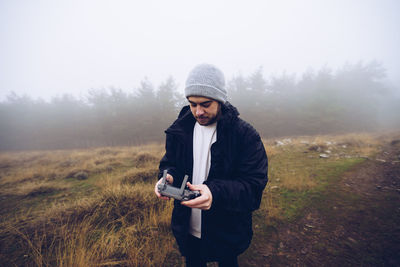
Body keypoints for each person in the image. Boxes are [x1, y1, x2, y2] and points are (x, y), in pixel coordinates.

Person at [154, 63, 268, 267]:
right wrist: (168, 176)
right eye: (192, 104)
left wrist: (215, 193)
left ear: (220, 100)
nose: (198, 112)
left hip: (227, 229)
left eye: (205, 104)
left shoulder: (244, 135)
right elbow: (170, 163)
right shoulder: (180, 130)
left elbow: (253, 186)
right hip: (188, 226)